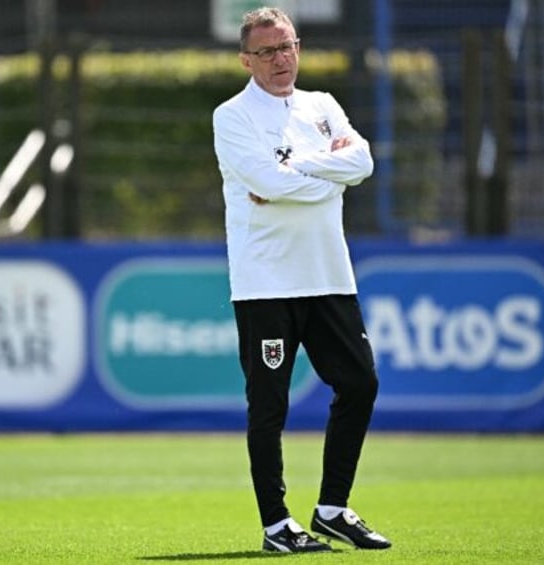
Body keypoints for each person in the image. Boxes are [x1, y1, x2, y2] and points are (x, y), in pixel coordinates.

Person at [212, 6, 392, 554]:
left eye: (287, 46)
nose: (280, 58)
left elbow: (362, 163)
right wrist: (328, 173)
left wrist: (302, 171)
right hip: (266, 283)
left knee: (360, 383)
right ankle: (276, 525)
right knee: (269, 407)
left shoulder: (322, 106)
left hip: (329, 274)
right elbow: (267, 178)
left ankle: (333, 508)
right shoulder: (232, 115)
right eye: (267, 51)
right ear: (247, 60)